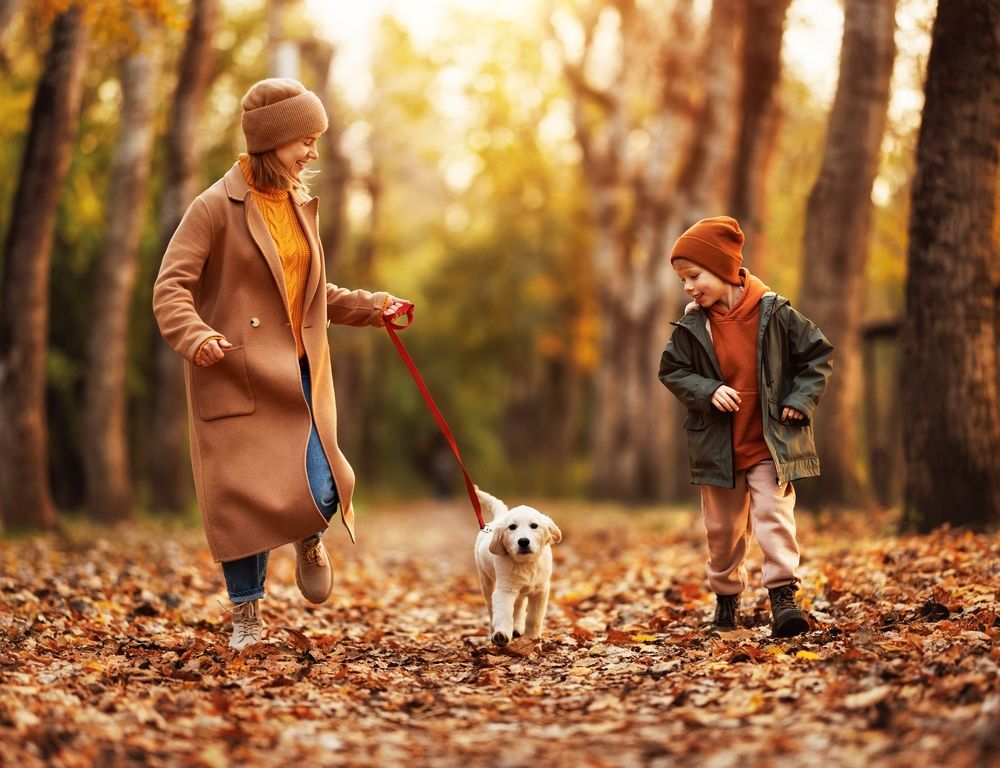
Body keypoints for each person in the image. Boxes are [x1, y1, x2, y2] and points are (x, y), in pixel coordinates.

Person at [153, 78, 407, 650]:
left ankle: (306, 534)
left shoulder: (297, 204)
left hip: (299, 373)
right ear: (273, 141)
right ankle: (247, 618)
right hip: (235, 373)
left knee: (323, 486)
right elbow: (171, 286)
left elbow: (311, 292)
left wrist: (374, 307)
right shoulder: (215, 207)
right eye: (305, 140)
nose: (313, 152)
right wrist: (195, 336)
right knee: (239, 505)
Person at [658, 216, 833, 638]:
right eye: (682, 280)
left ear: (724, 270)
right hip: (718, 447)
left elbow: (817, 357)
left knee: (774, 516)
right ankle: (726, 596)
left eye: (694, 276)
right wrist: (707, 390)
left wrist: (799, 400)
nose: (688, 287)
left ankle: (783, 597)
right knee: (723, 532)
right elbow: (673, 370)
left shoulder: (777, 313)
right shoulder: (692, 325)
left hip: (769, 443)